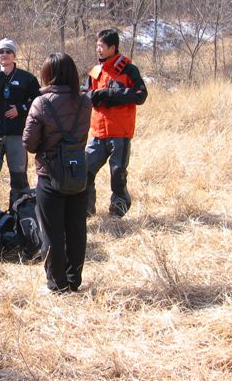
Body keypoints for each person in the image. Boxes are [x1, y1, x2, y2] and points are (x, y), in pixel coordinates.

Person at [23, 53, 92, 293]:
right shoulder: (84, 102)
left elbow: (29, 143)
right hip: (78, 172)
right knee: (76, 230)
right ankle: (74, 281)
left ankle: (57, 284)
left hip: (50, 174)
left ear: (47, 75)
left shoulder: (41, 103)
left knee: (52, 232)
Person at [81, 29, 148, 217]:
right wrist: (94, 95)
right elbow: (84, 93)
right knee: (85, 169)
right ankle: (86, 209)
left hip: (120, 131)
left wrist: (111, 94)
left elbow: (141, 95)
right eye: (97, 46)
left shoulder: (128, 69)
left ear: (112, 47)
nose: (98, 49)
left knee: (117, 173)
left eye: (101, 46)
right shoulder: (96, 70)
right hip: (98, 131)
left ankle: (118, 210)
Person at [0, 37, 40, 210]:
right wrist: (1, 75)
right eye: (0, 52)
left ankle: (19, 214)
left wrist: (21, 108)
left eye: (8, 51)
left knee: (19, 177)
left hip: (17, 134)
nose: (4, 54)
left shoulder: (27, 78)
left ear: (14, 55)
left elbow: (38, 101)